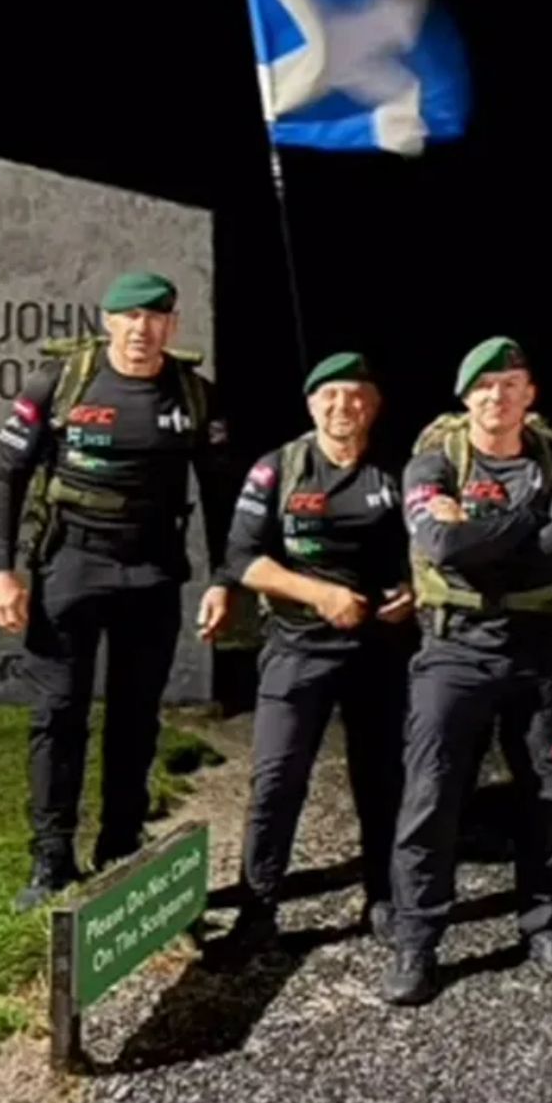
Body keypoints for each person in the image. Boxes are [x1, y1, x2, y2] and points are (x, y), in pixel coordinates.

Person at [0, 270, 234, 911]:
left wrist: (226, 580)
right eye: (130, 318)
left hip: (150, 573)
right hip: (70, 567)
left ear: (172, 326)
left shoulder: (196, 397)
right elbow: (4, 474)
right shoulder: (60, 382)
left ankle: (121, 845)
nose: (143, 330)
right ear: (109, 321)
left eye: (156, 318)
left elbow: (223, 496)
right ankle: (51, 860)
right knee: (59, 714)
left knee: (135, 717)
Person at [382, 338, 552, 1006]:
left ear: (529, 394)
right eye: (484, 387)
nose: (497, 398)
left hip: (544, 647)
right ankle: (417, 942)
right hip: (457, 650)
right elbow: (439, 544)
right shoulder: (435, 457)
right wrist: (525, 525)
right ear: (465, 396)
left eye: (510, 385)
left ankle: (546, 923)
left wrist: (484, 532)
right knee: (432, 795)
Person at [219, 352, 413, 953]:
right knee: (277, 778)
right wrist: (320, 593)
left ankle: (382, 896)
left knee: (381, 778)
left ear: (374, 408)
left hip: (379, 650)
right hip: (298, 646)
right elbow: (243, 559)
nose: (343, 408)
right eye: (330, 396)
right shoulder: (277, 470)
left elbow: (428, 547)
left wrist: (412, 592)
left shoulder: (399, 470)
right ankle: (258, 910)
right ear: (311, 406)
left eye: (357, 397)